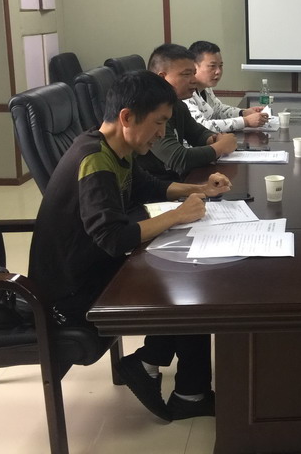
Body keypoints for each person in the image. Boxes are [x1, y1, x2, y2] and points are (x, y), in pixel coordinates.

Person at [28, 70, 234, 421]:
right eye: (159, 122)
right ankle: (183, 388)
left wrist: (200, 190)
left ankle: (163, 372)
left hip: (91, 268)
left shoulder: (112, 146)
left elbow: (146, 186)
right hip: (70, 292)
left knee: (188, 275)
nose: (162, 133)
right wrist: (178, 215)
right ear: (127, 117)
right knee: (188, 285)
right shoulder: (93, 159)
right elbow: (112, 238)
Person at [137, 43, 238, 181]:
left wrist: (214, 139)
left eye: (194, 73)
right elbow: (179, 159)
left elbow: (197, 134)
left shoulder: (177, 104)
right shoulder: (150, 110)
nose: (193, 80)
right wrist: (220, 147)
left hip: (174, 182)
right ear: (162, 78)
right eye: (186, 74)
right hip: (156, 186)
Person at [185, 40, 268, 132]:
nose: (218, 71)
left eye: (220, 66)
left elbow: (218, 110)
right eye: (212, 66)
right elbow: (201, 126)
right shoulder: (184, 93)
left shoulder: (206, 88)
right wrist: (245, 121)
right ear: (194, 66)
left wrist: (243, 113)